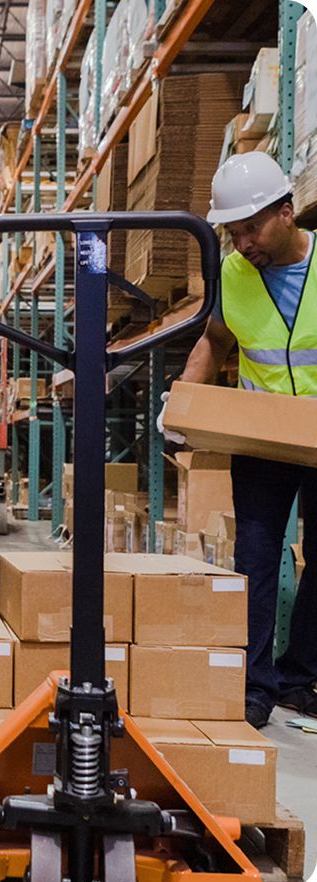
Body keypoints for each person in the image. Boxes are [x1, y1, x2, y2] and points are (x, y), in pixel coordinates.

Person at [158, 151, 317, 729]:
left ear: (288, 212)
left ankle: (301, 678)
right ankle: (256, 685)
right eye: (234, 231)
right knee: (253, 557)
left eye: (251, 228)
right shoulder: (231, 273)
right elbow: (216, 340)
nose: (243, 242)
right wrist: (181, 404)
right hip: (262, 436)